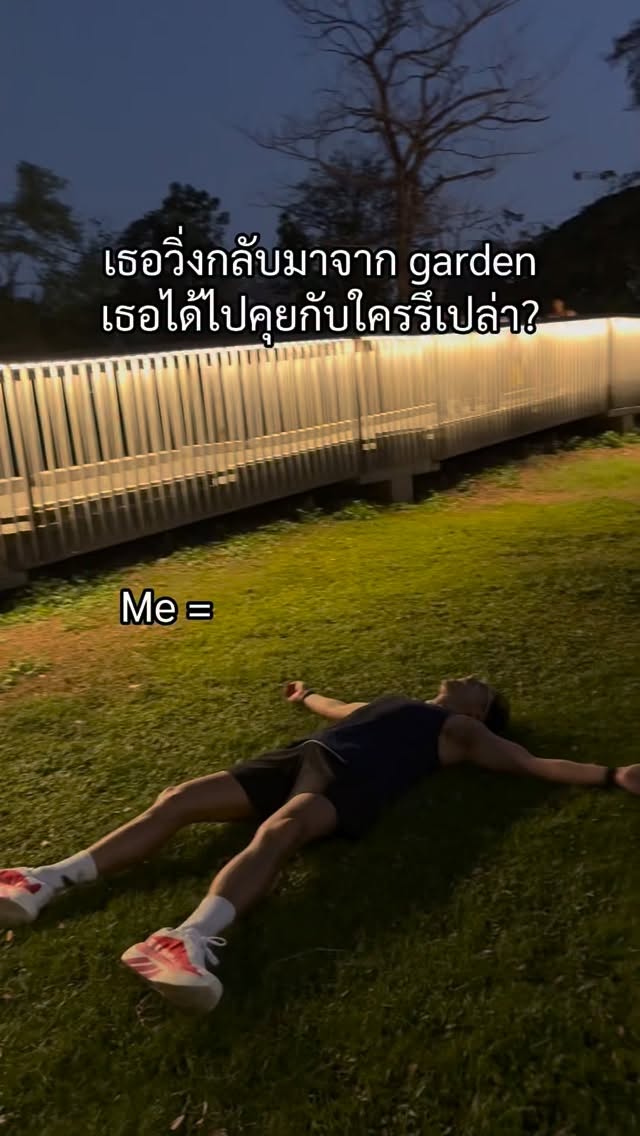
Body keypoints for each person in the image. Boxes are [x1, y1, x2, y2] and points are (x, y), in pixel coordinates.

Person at [1, 677, 638, 1014]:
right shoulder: (398, 701)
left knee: (281, 831)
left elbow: (530, 763)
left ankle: (187, 940)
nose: (471, 678)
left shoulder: (458, 731)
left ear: (479, 712)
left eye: (482, 687)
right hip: (300, 754)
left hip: (350, 781)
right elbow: (339, 709)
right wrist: (306, 696)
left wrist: (611, 775)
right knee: (177, 799)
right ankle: (44, 879)